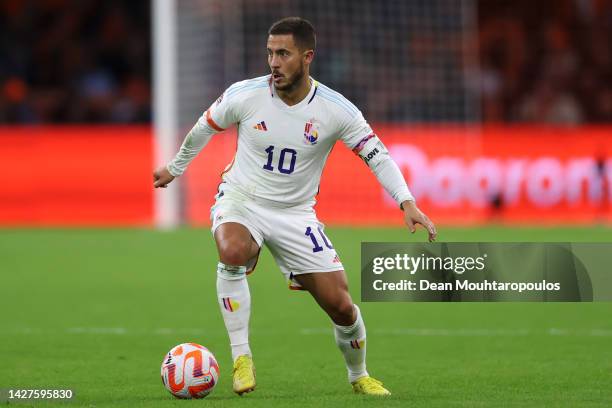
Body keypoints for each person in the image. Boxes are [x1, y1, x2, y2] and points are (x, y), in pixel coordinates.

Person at [153, 17, 437, 397]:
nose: (273, 62)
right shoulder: (245, 94)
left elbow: (376, 155)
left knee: (342, 306)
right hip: (242, 199)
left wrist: (407, 202)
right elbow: (205, 126)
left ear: (307, 58)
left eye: (283, 54)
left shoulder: (336, 110)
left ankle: (359, 376)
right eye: (270, 53)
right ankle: (242, 358)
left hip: (296, 214)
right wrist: (175, 167)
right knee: (232, 250)